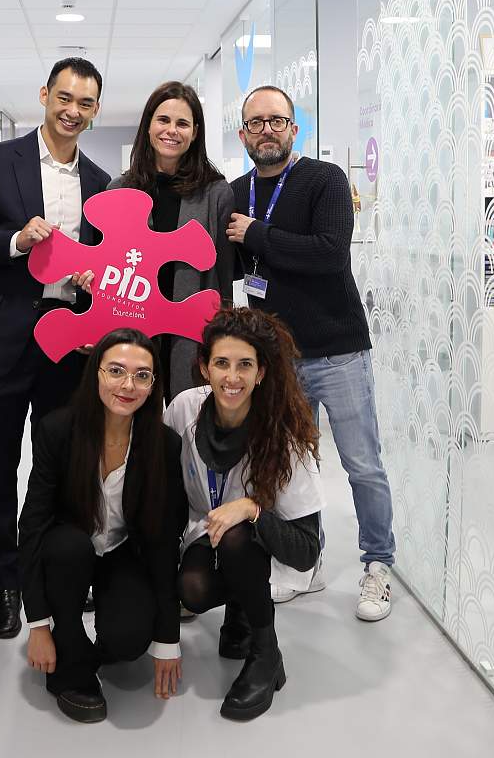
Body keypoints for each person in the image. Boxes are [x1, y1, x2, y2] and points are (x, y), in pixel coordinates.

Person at [226, 84, 396, 622]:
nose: (267, 130)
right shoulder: (236, 192)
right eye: (257, 123)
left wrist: (258, 234)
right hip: (278, 359)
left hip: (337, 352)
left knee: (362, 464)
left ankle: (378, 564)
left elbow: (328, 253)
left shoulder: (325, 180)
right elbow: (233, 268)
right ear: (243, 134)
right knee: (293, 467)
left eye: (277, 120)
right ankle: (308, 561)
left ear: (294, 129)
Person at [0, 57, 111, 640]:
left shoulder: (100, 181)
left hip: (68, 341)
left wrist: (94, 281)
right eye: (65, 98)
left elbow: (103, 259)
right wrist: (15, 241)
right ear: (45, 95)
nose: (72, 111)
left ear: (95, 110)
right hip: (3, 335)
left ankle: (50, 573)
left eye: (85, 103)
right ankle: (5, 583)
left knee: (60, 465)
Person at [18, 328, 188, 723]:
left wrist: (167, 639)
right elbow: (33, 527)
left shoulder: (164, 444)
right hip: (68, 549)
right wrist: (38, 625)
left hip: (122, 551)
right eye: (116, 371)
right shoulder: (57, 430)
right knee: (68, 548)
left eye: (142, 375)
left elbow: (164, 542)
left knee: (129, 641)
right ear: (95, 372)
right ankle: (69, 652)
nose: (128, 385)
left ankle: (101, 639)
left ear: (153, 385)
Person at [167, 307, 324, 721]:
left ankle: (266, 653)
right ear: (204, 367)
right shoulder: (183, 410)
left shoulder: (284, 437)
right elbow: (164, 494)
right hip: (204, 528)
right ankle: (238, 604)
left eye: (245, 365)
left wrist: (253, 509)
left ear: (261, 373)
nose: (232, 377)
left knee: (238, 537)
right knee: (192, 589)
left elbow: (306, 551)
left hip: (259, 541)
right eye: (221, 363)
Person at [108, 80, 235, 400]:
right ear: (148, 126)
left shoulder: (216, 193)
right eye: (163, 120)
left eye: (182, 123)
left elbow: (223, 278)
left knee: (188, 417)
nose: (172, 131)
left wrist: (223, 341)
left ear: (195, 132)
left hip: (192, 332)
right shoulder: (119, 190)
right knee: (134, 416)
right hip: (134, 325)